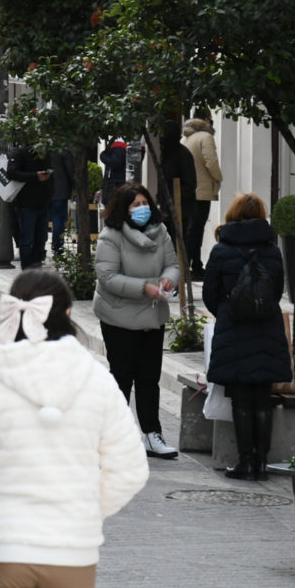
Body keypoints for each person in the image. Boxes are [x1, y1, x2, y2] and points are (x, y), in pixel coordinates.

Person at [0, 269, 149, 588]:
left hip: (3, 546)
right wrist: (86, 511)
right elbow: (131, 469)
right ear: (67, 314)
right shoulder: (97, 378)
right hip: (72, 548)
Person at [203, 194, 290, 481]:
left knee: (240, 399)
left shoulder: (221, 250)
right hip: (267, 327)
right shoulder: (272, 249)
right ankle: (263, 464)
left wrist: (229, 310)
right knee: (262, 398)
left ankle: (246, 463)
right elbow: (276, 291)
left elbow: (210, 295)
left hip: (234, 329)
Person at [93, 182, 180, 459]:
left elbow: (173, 264)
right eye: (135, 205)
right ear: (124, 208)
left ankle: (152, 434)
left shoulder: (161, 232)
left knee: (149, 378)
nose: (142, 209)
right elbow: (107, 277)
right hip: (118, 316)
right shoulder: (111, 236)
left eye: (145, 203)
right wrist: (144, 287)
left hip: (152, 315)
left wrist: (168, 280)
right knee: (122, 376)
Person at [183, 109, 224, 280]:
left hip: (189, 190)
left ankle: (195, 265)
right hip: (202, 190)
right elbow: (211, 161)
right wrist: (219, 178)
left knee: (192, 229)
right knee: (196, 230)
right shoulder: (205, 137)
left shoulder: (186, 138)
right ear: (206, 119)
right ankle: (190, 267)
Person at [6, 142, 53, 269]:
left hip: (43, 202)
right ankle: (27, 271)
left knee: (41, 239)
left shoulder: (46, 153)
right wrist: (35, 176)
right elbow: (11, 173)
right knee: (27, 240)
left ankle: (36, 268)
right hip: (26, 203)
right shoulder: (21, 152)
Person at [157, 119, 197, 253]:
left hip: (181, 209)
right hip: (166, 208)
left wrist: (174, 201)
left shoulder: (183, 155)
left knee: (179, 244)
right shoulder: (166, 154)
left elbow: (190, 184)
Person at [49, 150, 76, 257]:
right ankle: (57, 248)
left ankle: (40, 249)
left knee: (42, 219)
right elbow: (70, 168)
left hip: (45, 187)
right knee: (58, 220)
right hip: (60, 189)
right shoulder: (63, 145)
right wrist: (74, 185)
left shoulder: (42, 144)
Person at [99, 137, 127, 207]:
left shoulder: (119, 145)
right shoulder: (120, 142)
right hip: (115, 183)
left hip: (115, 184)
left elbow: (114, 162)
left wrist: (103, 156)